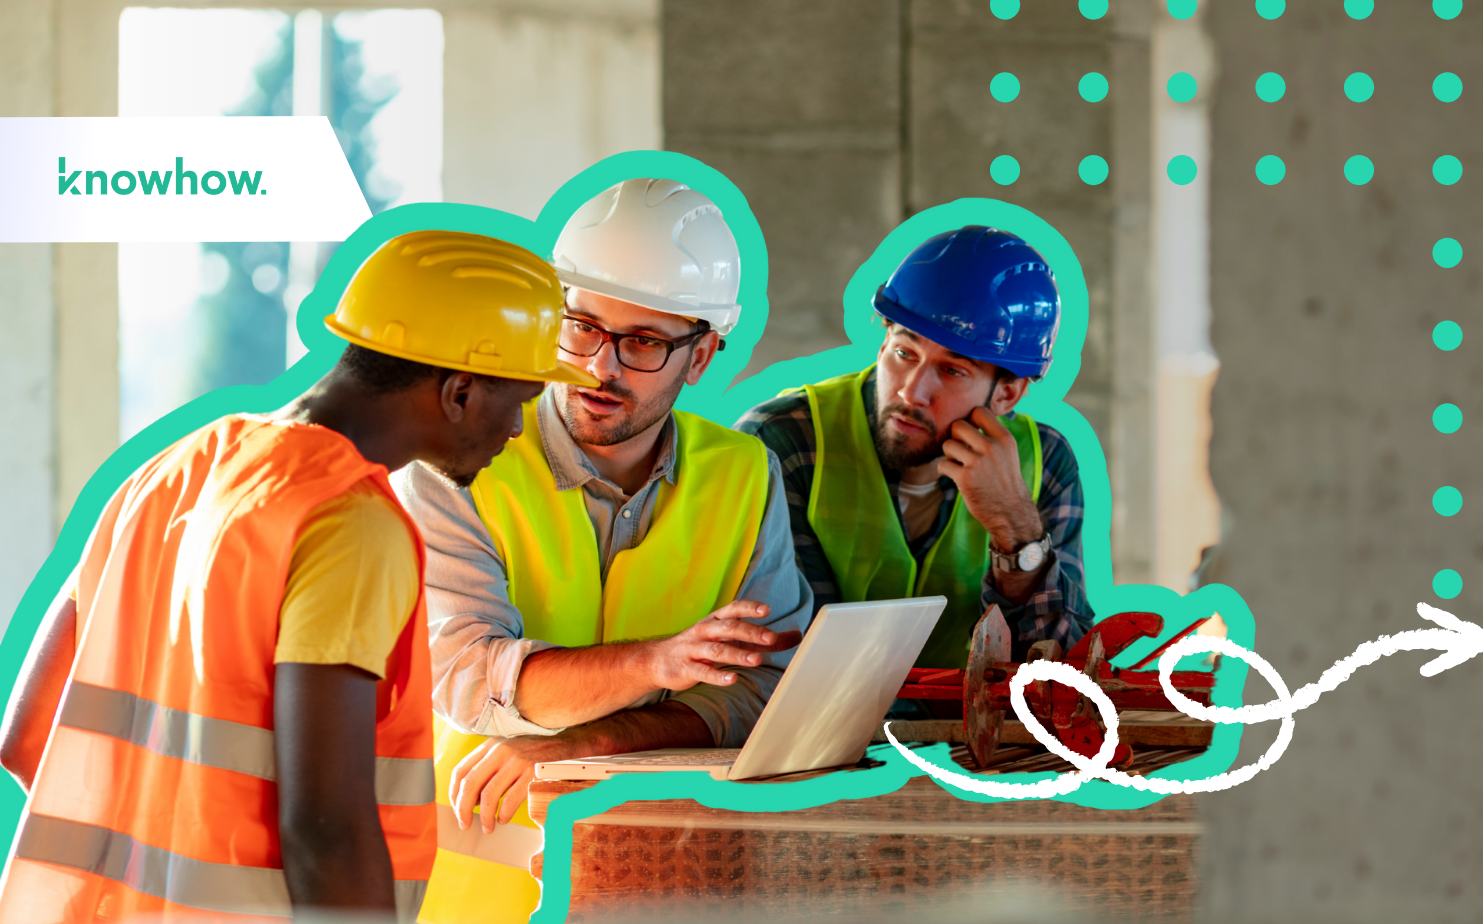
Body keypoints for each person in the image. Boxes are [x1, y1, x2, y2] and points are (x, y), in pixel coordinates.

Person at [0, 230, 584, 922]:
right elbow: (326, 833)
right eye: (518, 400)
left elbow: (28, 737)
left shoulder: (169, 473)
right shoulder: (349, 523)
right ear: (458, 392)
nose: (519, 429)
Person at [396, 178, 812, 924]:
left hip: (661, 883)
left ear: (704, 354)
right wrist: (658, 666)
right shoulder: (459, 460)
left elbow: (761, 693)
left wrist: (591, 742)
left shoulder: (745, 474)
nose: (599, 367)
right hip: (472, 887)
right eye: (580, 326)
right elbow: (466, 676)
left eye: (644, 342)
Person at [736, 225, 1093, 682]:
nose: (911, 391)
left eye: (951, 369)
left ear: (1007, 394)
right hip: (820, 748)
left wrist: (1016, 529)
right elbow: (790, 657)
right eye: (904, 352)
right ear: (884, 341)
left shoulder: (1046, 463)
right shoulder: (782, 443)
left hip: (972, 751)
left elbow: (1062, 676)